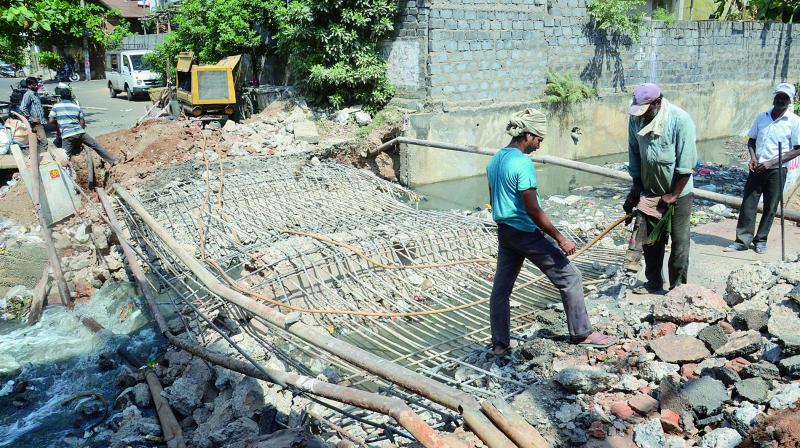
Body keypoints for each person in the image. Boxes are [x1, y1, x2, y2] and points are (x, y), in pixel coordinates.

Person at [486, 108, 617, 356]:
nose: (539, 144)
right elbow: (533, 210)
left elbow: (493, 199)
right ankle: (582, 333)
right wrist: (560, 238)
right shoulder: (522, 163)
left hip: (505, 232)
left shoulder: (495, 160)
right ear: (527, 135)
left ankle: (500, 344)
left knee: (501, 290)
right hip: (525, 233)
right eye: (538, 139)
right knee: (570, 278)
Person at [626, 83, 697, 294]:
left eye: (646, 110)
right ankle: (654, 283)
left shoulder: (679, 120)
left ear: (657, 103)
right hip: (650, 190)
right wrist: (636, 187)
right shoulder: (635, 119)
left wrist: (674, 194)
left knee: (680, 242)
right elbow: (634, 153)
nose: (642, 115)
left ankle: (677, 289)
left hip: (678, 192)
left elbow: (686, 165)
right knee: (651, 241)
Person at [725, 83, 800, 254]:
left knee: (770, 206)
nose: (780, 99)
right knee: (748, 204)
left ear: (790, 101)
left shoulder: (794, 121)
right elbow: (751, 140)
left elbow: (797, 149)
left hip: (777, 170)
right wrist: (753, 158)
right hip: (756, 167)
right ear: (774, 97)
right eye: (779, 96)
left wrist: (771, 162)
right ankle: (742, 240)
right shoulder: (762, 117)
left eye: (785, 97)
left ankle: (761, 240)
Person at [48, 85, 119, 167]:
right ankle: (114, 160)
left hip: (67, 134)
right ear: (70, 96)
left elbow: (51, 120)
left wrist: (60, 121)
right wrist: (79, 133)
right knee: (96, 146)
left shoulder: (56, 106)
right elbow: (82, 122)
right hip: (80, 132)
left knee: (65, 156)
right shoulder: (76, 107)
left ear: (60, 97)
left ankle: (66, 174)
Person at [18, 77, 47, 150]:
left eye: (37, 84)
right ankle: (44, 157)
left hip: (40, 121)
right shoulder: (28, 94)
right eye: (34, 85)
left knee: (39, 141)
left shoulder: (35, 93)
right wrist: (31, 118)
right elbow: (22, 108)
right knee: (44, 142)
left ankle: (40, 156)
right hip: (36, 123)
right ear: (29, 85)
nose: (36, 86)